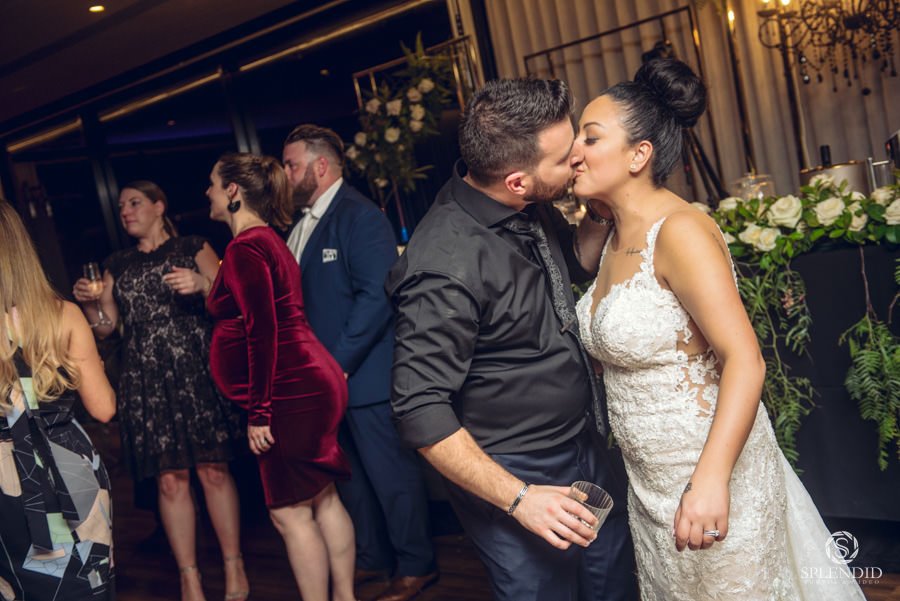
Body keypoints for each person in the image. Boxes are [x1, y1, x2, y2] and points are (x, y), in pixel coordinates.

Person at [571, 57, 866, 600]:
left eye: (590, 138)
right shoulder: (611, 234)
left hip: (708, 469)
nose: (574, 152)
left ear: (639, 155)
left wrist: (711, 479)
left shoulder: (680, 231)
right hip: (649, 485)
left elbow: (745, 360)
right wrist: (598, 204)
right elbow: (582, 263)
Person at [385, 78, 637, 601]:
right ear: (518, 181)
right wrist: (521, 498)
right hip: (514, 469)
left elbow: (570, 264)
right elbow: (418, 409)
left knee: (613, 584)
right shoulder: (443, 266)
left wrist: (601, 206)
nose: (577, 158)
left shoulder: (520, 200)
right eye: (564, 158)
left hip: (581, 446)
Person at [72, 181, 248, 601]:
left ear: (158, 206)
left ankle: (234, 565)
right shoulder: (117, 263)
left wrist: (202, 284)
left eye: (134, 203)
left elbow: (233, 301)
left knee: (213, 470)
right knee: (169, 480)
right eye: (121, 207)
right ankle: (190, 578)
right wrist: (90, 305)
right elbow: (106, 328)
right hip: (146, 379)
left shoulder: (193, 246)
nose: (126, 212)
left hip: (195, 370)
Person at [282, 124, 437, 601]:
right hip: (325, 382)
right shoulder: (299, 225)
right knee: (350, 481)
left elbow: (376, 297)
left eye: (291, 165)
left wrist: (335, 365)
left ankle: (417, 565)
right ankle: (371, 559)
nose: (285, 175)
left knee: (392, 477)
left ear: (320, 166)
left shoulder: (361, 216)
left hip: (363, 376)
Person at [205, 152, 356, 601]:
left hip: (289, 390)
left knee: (289, 514)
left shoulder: (244, 248)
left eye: (213, 184)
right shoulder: (269, 239)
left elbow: (263, 331)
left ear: (232, 190)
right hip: (310, 378)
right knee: (323, 498)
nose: (208, 193)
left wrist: (260, 411)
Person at [0, 200, 117, 600]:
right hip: (66, 468)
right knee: (84, 583)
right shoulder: (63, 314)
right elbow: (104, 408)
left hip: (6, 478)